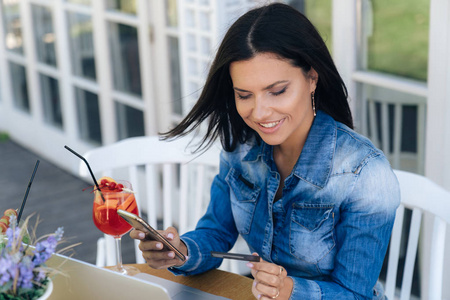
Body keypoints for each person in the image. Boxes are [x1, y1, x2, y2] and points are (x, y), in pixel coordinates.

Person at [130, 3, 400, 299]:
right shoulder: (240, 148)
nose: (259, 113)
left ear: (312, 78)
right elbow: (216, 234)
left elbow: (356, 294)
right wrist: (181, 252)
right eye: (244, 95)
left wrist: (290, 291)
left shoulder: (365, 173)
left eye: (277, 91)